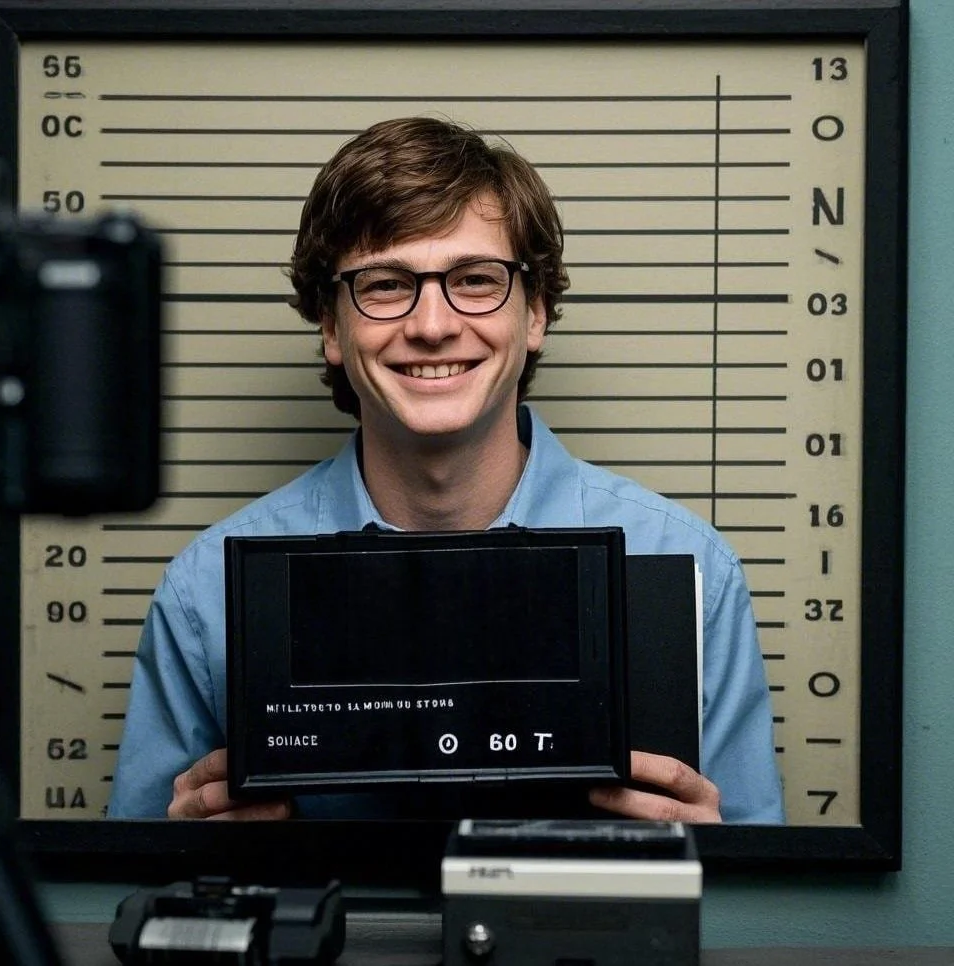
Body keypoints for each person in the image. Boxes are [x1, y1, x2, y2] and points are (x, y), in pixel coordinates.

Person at [107, 116, 785, 825]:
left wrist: (724, 866)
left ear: (537, 314)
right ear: (333, 328)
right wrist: (177, 860)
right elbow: (127, 903)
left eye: (475, 279)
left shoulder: (690, 568)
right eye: (386, 284)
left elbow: (760, 905)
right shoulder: (203, 592)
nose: (433, 324)